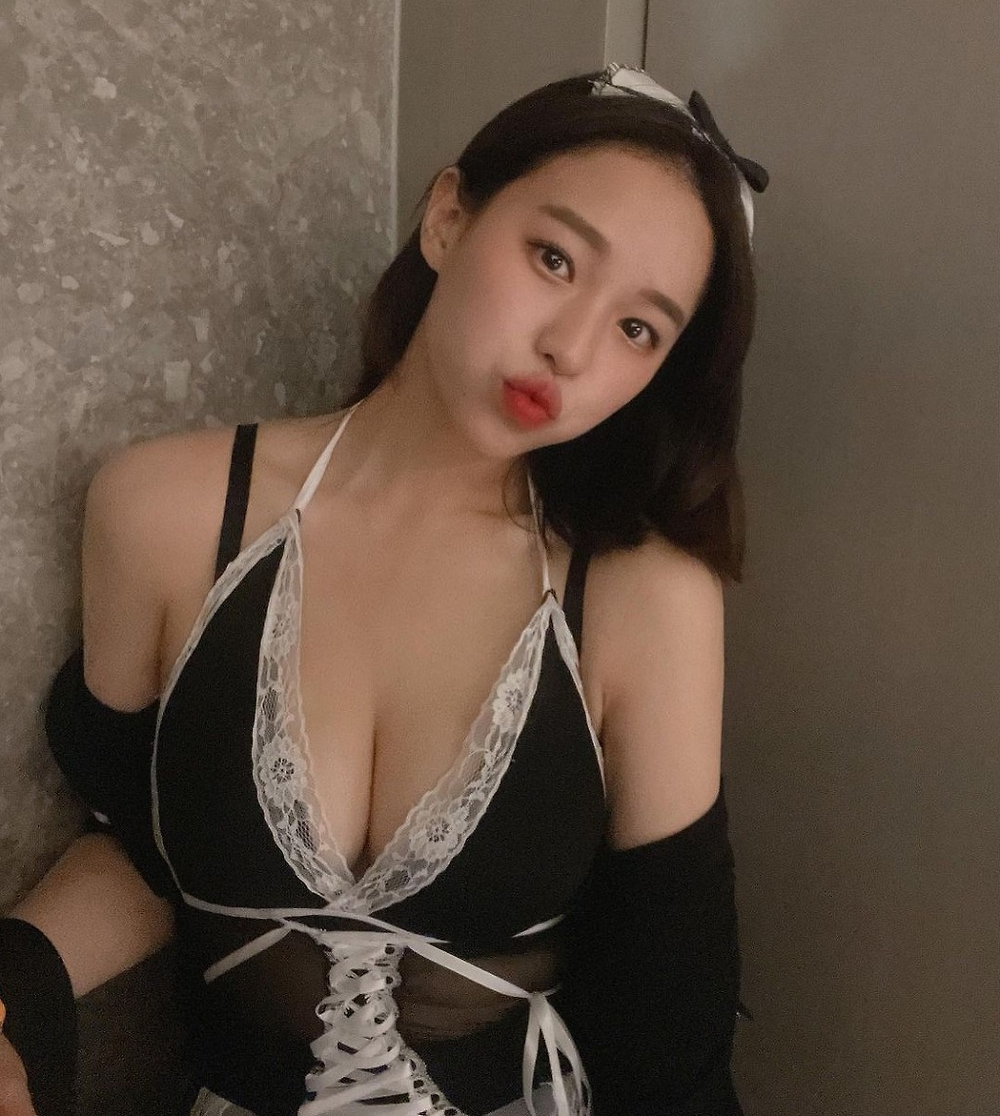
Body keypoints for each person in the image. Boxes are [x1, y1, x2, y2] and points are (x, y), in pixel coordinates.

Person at [0, 64, 767, 1116]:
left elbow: (670, 1022)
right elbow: (145, 847)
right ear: (448, 217)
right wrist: (15, 984)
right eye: (553, 258)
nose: (571, 347)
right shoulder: (164, 514)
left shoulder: (644, 597)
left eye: (639, 328)